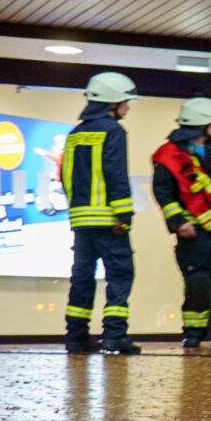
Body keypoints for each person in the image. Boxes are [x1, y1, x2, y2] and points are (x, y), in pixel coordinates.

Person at [62, 72, 143, 355]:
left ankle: (76, 337)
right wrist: (124, 214)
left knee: (82, 277)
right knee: (120, 275)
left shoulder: (75, 134)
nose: (128, 107)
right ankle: (114, 336)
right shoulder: (113, 131)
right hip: (109, 220)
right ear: (112, 103)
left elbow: (65, 176)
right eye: (125, 101)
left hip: (82, 221)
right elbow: (115, 173)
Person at [152, 97, 211, 349]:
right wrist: (179, 221)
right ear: (200, 124)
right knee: (198, 283)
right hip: (193, 231)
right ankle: (193, 332)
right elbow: (163, 193)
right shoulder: (170, 155)